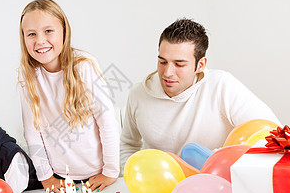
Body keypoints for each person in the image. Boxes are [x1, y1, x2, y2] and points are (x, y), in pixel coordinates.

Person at [120, 18, 281, 168]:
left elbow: (273, 134)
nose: (167, 72)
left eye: (179, 64)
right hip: (158, 190)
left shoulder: (221, 86)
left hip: (216, 183)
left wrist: (213, 159)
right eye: (162, 62)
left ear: (201, 65)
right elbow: (127, 144)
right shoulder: (138, 94)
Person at [18, 0, 120, 192]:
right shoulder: (27, 74)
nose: (40, 41)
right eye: (31, 34)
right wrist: (46, 177)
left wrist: (111, 171)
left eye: (48, 31)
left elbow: (107, 121)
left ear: (64, 30)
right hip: (59, 177)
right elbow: (32, 131)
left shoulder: (84, 66)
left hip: (97, 174)